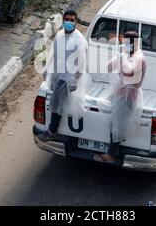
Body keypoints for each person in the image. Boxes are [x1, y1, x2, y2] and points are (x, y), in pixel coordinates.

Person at [94, 31, 147, 163]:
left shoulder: (139, 57)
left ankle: (111, 155)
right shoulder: (125, 55)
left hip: (129, 96)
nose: (128, 44)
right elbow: (109, 67)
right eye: (126, 41)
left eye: (131, 41)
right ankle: (116, 145)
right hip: (120, 92)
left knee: (117, 123)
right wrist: (118, 57)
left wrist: (121, 58)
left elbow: (129, 73)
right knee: (116, 122)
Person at [38, 10, 87, 142]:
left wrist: (75, 80)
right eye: (67, 19)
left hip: (68, 77)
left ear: (76, 22)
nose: (69, 22)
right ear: (63, 20)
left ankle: (52, 131)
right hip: (57, 73)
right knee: (55, 101)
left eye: (72, 20)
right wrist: (47, 69)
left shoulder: (79, 40)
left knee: (56, 103)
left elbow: (81, 63)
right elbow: (53, 53)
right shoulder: (60, 35)